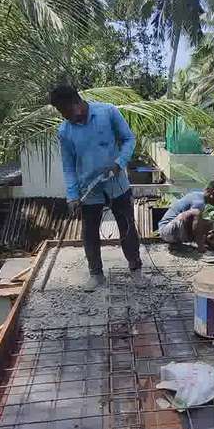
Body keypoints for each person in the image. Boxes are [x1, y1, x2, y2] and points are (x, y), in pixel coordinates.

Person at [49, 83, 141, 290]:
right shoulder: (64, 132)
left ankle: (135, 267)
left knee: (127, 227)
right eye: (60, 112)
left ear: (76, 102)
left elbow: (129, 139)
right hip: (89, 189)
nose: (64, 116)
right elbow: (69, 167)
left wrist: (119, 163)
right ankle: (96, 274)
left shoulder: (108, 112)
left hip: (117, 184)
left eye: (65, 111)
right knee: (89, 232)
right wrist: (72, 196)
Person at [158, 181, 214, 252]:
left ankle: (207, 241)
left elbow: (196, 225)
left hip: (175, 231)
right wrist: (201, 246)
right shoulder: (199, 202)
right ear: (213, 192)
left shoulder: (198, 196)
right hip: (167, 231)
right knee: (196, 213)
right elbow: (194, 220)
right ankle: (200, 247)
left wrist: (208, 240)